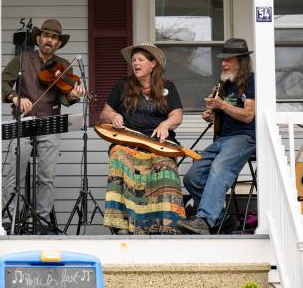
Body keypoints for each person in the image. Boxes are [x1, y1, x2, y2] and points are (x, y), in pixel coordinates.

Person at [1, 19, 85, 231]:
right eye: (46, 35)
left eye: (54, 37)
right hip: (23, 120)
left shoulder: (63, 65)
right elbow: (1, 82)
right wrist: (14, 96)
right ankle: (7, 218)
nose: (49, 40)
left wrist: (74, 96)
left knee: (46, 177)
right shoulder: (21, 60)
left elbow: (65, 99)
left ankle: (43, 221)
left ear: (58, 43)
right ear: (38, 38)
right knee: (14, 172)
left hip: (49, 123)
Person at [99, 43, 186, 234]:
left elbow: (177, 115)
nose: (135, 63)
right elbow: (104, 113)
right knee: (119, 156)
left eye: (141, 60)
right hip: (128, 142)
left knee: (166, 167)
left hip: (158, 145)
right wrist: (113, 116)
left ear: (153, 64)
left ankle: (167, 225)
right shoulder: (122, 85)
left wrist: (166, 124)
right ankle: (122, 224)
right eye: (133, 60)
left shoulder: (167, 86)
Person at [177, 38, 256, 235]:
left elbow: (248, 116)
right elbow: (223, 112)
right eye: (223, 59)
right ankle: (222, 219)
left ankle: (204, 219)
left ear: (241, 61)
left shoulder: (251, 81)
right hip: (221, 139)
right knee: (192, 177)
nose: (223, 63)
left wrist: (222, 106)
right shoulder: (224, 84)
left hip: (243, 137)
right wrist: (211, 115)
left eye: (228, 59)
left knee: (218, 168)